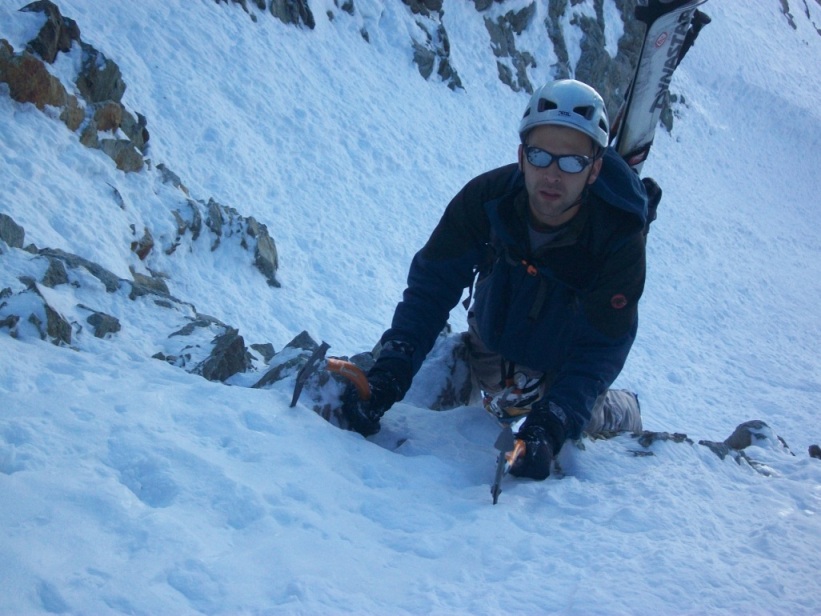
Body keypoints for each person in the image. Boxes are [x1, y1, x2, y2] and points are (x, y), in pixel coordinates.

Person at [341, 79, 653, 480]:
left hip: (564, 369)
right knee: (436, 378)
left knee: (582, 421)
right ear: (522, 156)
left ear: (594, 170)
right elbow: (431, 290)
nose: (553, 175)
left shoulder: (619, 237)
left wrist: (552, 423)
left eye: (572, 161)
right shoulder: (486, 201)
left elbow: (603, 347)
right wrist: (392, 369)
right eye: (540, 156)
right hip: (489, 348)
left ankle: (622, 408)